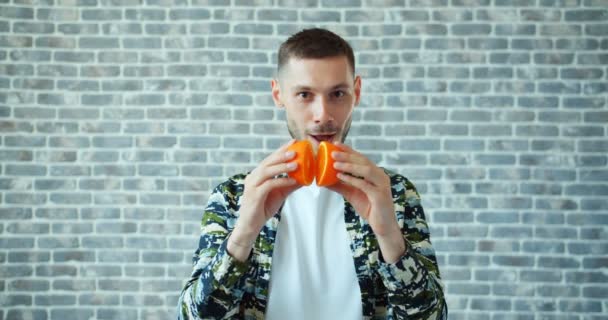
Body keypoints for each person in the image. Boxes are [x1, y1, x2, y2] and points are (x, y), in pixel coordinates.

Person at [177, 28, 447, 320]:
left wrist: (389, 236)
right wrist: (243, 234)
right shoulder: (232, 196)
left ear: (356, 91)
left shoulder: (393, 192)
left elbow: (433, 317)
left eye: (337, 94)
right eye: (305, 94)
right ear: (278, 94)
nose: (323, 114)